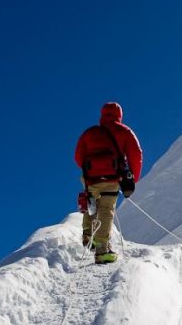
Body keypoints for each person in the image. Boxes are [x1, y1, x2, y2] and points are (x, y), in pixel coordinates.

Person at [75, 102, 143, 264]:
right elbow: (136, 154)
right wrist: (133, 179)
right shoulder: (124, 131)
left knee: (91, 204)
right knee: (106, 209)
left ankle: (87, 234)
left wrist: (91, 168)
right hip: (112, 177)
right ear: (119, 115)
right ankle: (102, 250)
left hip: (90, 178)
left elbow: (78, 156)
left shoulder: (90, 133)